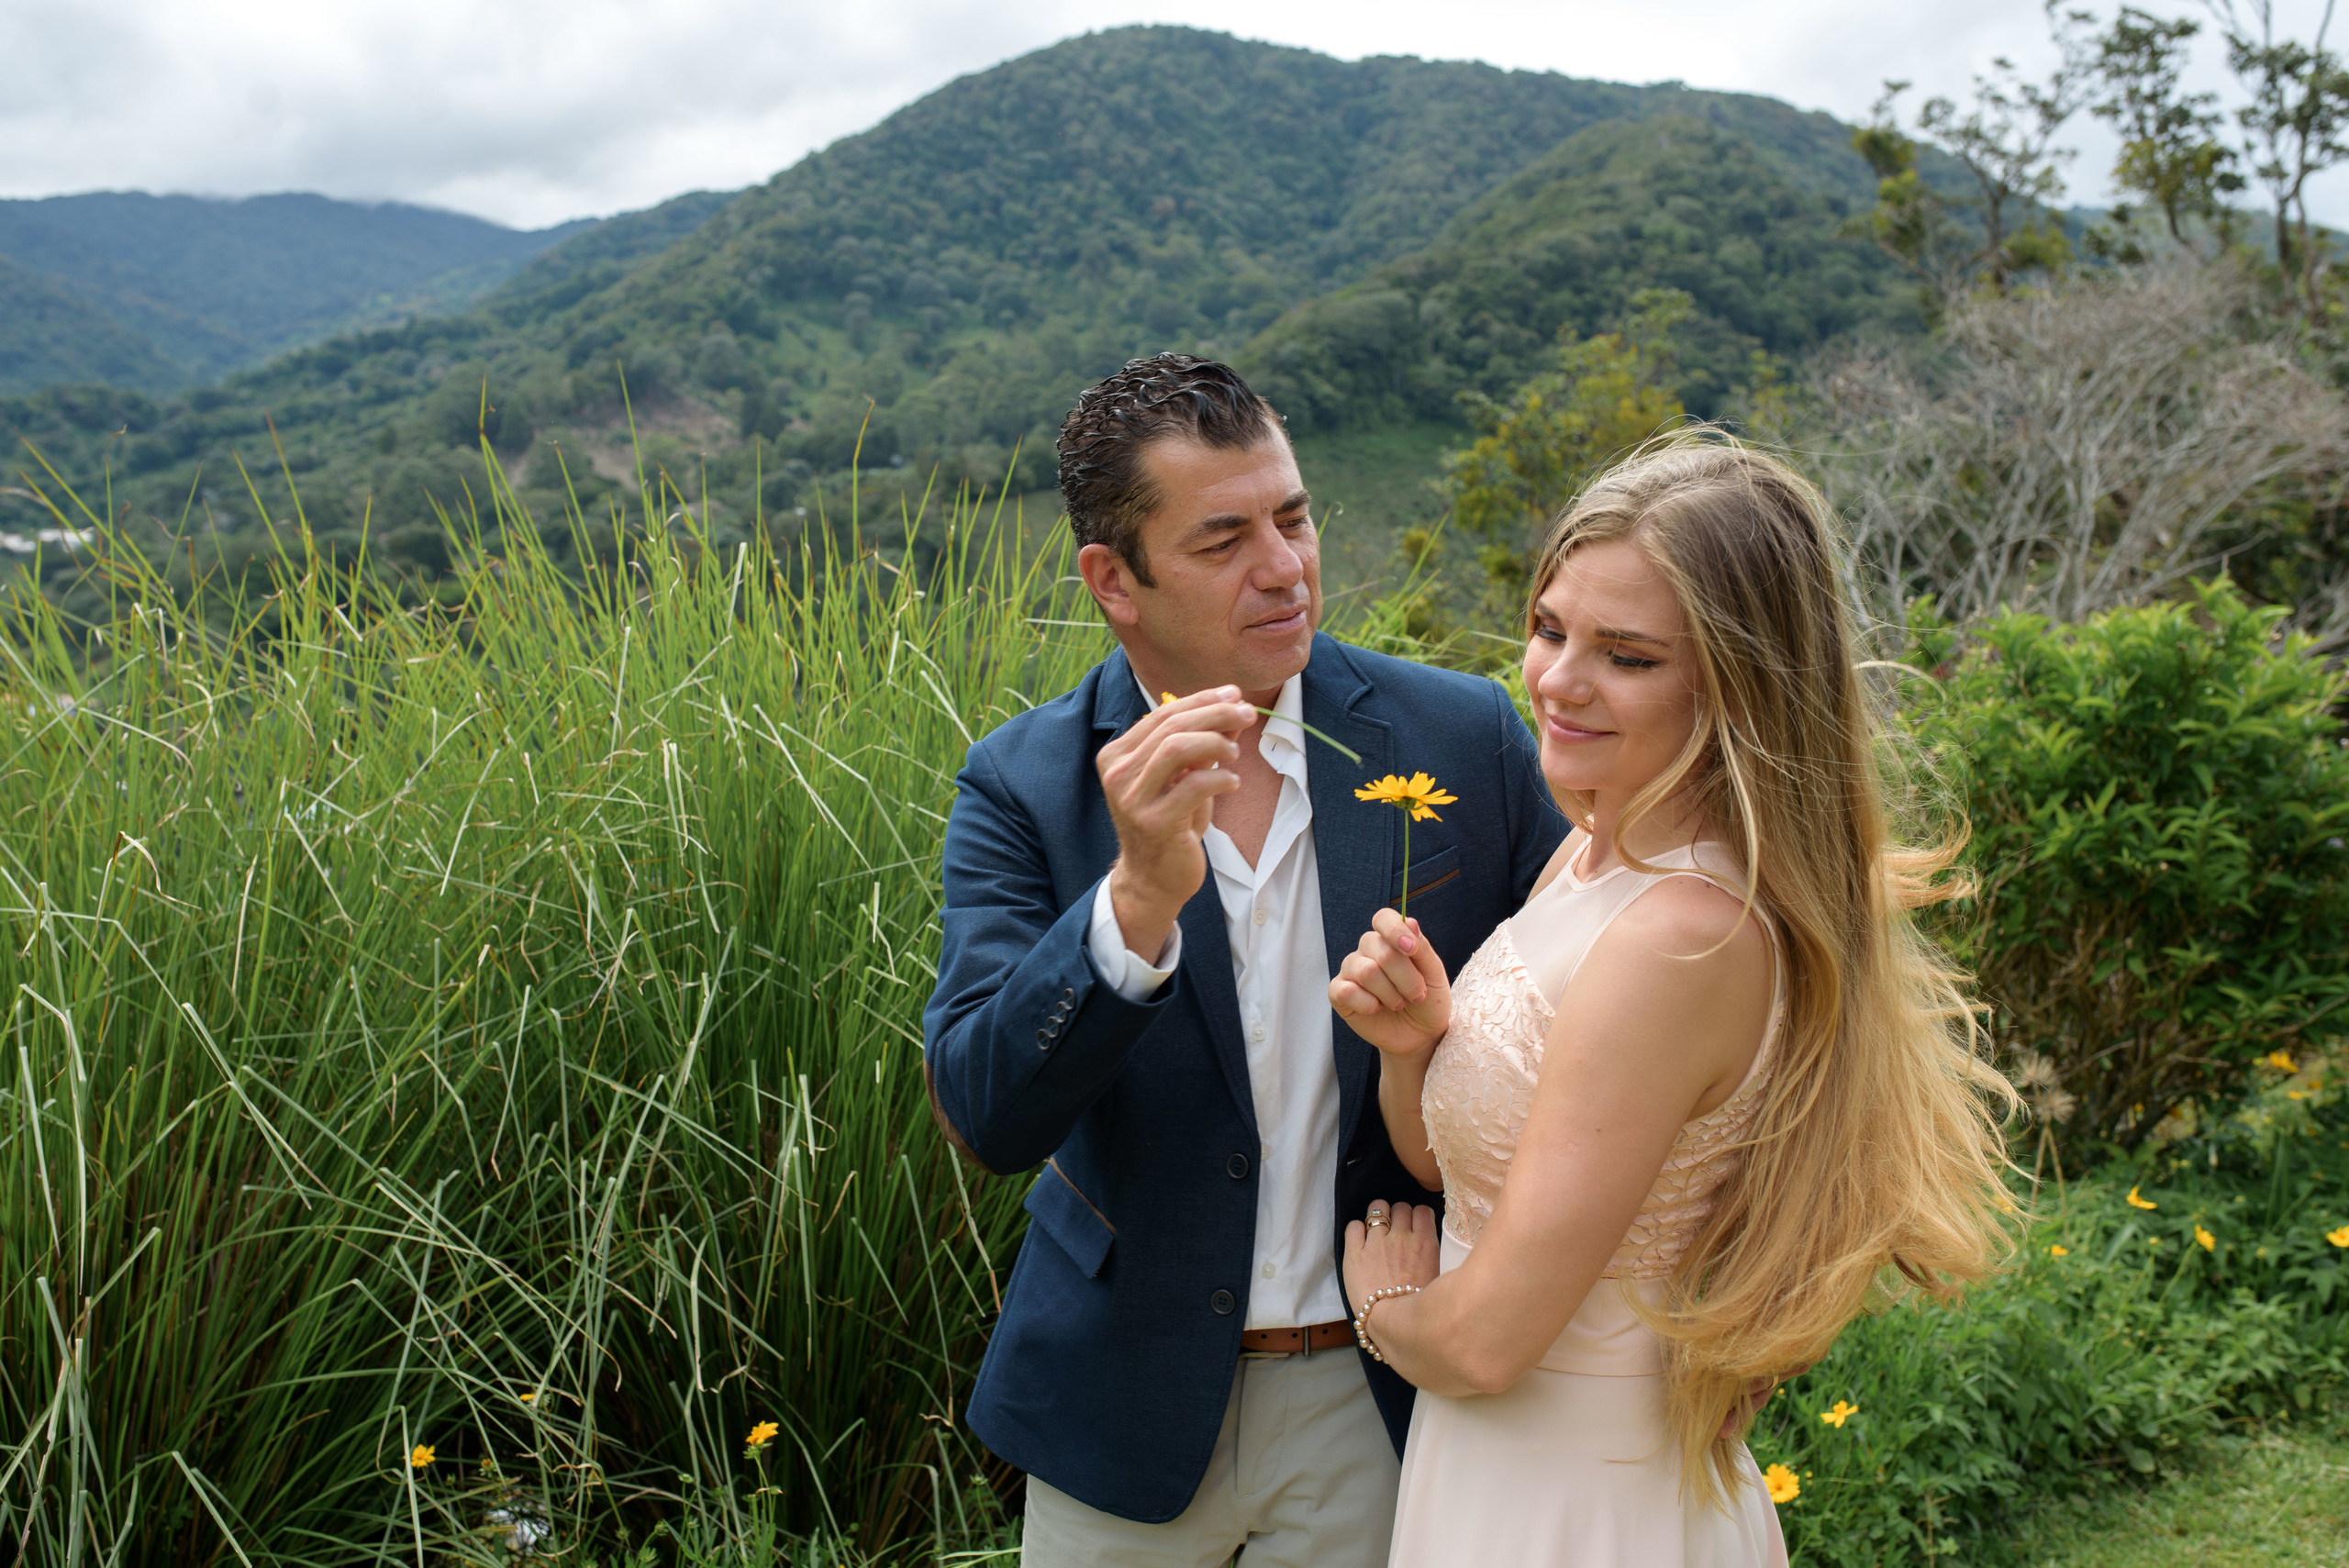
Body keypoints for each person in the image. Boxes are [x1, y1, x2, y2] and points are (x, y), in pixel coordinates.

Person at [920, 352, 1570, 1567]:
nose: (1285, 567)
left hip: (1385, 1390)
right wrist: (1132, 907)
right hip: (1118, 1411)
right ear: (1115, 580)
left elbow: (1601, 998)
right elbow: (986, 1113)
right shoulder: (1023, 784)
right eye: (1224, 541)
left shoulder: (1463, 737)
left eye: (1294, 517)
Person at [1330, 433, 2017, 1564]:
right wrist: (1417, 1050)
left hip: (1581, 1498)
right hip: (1495, 1468)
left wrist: (1385, 1307)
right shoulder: (1590, 854)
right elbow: (1469, 1171)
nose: (1555, 680)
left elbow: (1491, 1339)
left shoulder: (1683, 936)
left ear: (1737, 684)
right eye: (1550, 628)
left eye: (1627, 656)